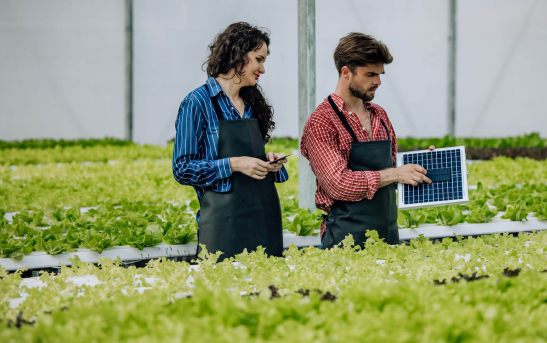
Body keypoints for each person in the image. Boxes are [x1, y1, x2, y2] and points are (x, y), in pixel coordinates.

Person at [300, 32, 432, 249]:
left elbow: (393, 174)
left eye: (380, 74)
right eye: (370, 74)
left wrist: (425, 166)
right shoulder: (322, 121)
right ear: (346, 72)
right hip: (345, 240)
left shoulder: (379, 115)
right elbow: (338, 184)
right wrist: (396, 173)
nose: (378, 82)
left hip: (388, 236)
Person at [172, 22, 288, 261]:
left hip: (264, 217)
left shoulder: (253, 105)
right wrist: (234, 164)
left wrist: (268, 162)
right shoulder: (197, 102)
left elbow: (252, 162)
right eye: (258, 59)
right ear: (238, 55)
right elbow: (182, 169)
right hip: (222, 226)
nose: (262, 68)